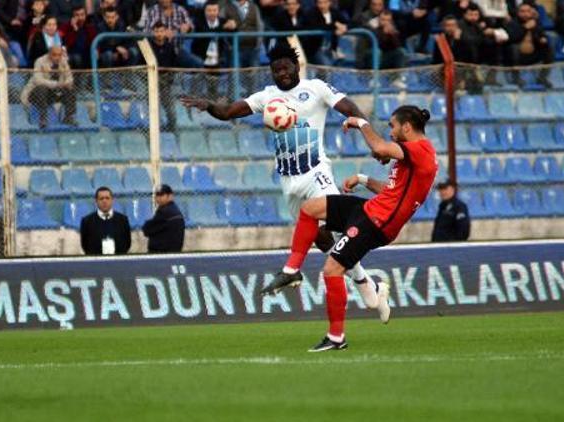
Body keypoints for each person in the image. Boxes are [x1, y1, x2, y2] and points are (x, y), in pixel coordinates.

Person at [180, 40, 386, 318]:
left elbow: (350, 107)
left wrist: (372, 138)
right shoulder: (267, 96)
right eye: (276, 70)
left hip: (317, 172)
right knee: (321, 238)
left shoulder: (316, 89)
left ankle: (317, 275)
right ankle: (364, 280)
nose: (282, 73)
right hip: (290, 180)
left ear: (296, 66)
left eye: (286, 67)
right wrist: (208, 106)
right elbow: (229, 112)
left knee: (333, 227)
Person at [259, 106, 438, 352]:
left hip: (377, 224)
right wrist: (363, 179)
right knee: (310, 209)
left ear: (407, 126)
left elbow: (379, 148)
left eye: (393, 127)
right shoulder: (413, 156)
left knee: (332, 269)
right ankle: (292, 271)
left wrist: (359, 122)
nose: (391, 133)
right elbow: (392, 192)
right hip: (369, 210)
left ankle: (336, 337)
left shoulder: (422, 150)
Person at [21, 45, 77, 128]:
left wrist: (67, 83)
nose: (57, 57)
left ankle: (69, 117)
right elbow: (38, 80)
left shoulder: (63, 61)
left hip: (53, 93)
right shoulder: (40, 61)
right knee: (42, 88)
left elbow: (70, 78)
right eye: (54, 55)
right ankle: (43, 118)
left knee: (71, 88)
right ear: (49, 54)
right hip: (35, 94)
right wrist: (56, 84)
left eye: (59, 55)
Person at [508, 2, 553, 88]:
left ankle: (542, 78)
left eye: (528, 11)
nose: (525, 14)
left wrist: (542, 39)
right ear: (518, 13)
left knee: (549, 48)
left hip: (533, 55)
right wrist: (525, 27)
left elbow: (542, 35)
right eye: (522, 11)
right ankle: (516, 78)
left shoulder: (536, 23)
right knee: (513, 48)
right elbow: (512, 38)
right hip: (517, 57)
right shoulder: (512, 23)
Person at [80, 186, 132, 255]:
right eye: (101, 199)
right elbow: (85, 245)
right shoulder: (87, 221)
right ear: (96, 201)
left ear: (112, 200)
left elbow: (127, 243)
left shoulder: (123, 220)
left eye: (107, 198)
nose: (104, 201)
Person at [302, 0, 348, 66]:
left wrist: (345, 27)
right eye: (320, 3)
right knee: (326, 65)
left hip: (331, 47)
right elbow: (318, 26)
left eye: (325, 2)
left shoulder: (334, 12)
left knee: (341, 63)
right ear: (316, 4)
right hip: (316, 49)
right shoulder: (311, 13)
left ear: (330, 2)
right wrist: (334, 25)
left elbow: (348, 23)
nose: (322, 6)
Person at [142, 184, 185, 253]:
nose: (158, 198)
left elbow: (147, 229)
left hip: (162, 252)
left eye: (161, 195)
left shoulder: (164, 211)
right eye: (157, 195)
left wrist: (147, 224)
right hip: (173, 251)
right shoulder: (174, 210)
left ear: (170, 196)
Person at [59, 5, 97, 69]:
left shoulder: (90, 28)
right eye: (77, 15)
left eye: (82, 15)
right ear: (73, 17)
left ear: (85, 15)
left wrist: (97, 50)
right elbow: (68, 44)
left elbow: (94, 43)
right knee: (77, 58)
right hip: (71, 54)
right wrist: (75, 30)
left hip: (87, 55)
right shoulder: (65, 27)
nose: (80, 18)